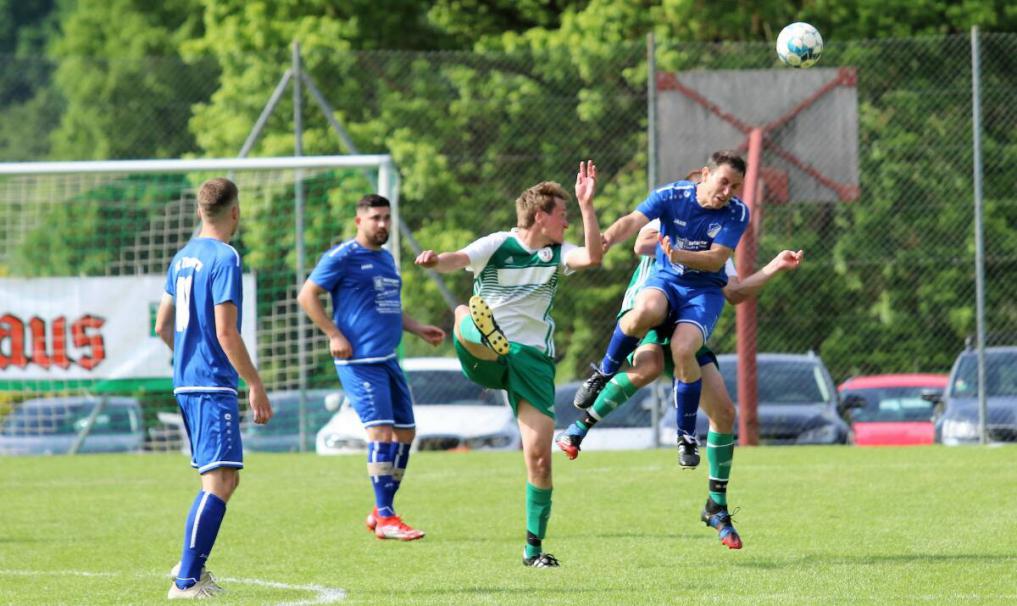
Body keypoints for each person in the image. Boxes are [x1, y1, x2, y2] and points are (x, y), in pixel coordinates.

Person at [556, 217, 803, 549]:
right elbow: (641, 244)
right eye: (713, 190)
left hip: (686, 329)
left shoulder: (718, 246)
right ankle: (580, 427)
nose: (718, 203)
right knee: (648, 366)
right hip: (653, 314)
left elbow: (736, 291)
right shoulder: (673, 213)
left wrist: (775, 266)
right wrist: (679, 242)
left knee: (725, 414)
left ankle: (716, 506)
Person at [414, 161, 602, 568]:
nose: (567, 223)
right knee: (466, 313)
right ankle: (474, 322)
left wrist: (587, 205)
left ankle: (533, 551)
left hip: (533, 361)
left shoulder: (557, 254)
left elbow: (592, 258)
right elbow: (457, 258)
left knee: (538, 457)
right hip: (487, 349)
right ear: (541, 216)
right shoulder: (499, 244)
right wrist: (433, 261)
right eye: (564, 215)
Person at [572, 150, 750, 470]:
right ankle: (601, 377)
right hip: (665, 284)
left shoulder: (736, 214)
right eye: (724, 182)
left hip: (700, 295)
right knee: (646, 320)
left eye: (735, 186)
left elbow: (716, 263)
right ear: (704, 175)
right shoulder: (672, 195)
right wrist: (608, 237)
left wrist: (775, 267)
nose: (727, 192)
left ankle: (686, 440)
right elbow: (635, 229)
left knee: (692, 363)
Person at [297, 194, 445, 541]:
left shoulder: (387, 260)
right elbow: (307, 295)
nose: (382, 224)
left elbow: (389, 306)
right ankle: (389, 516)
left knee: (406, 434)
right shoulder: (342, 256)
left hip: (388, 359)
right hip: (359, 361)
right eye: (375, 217)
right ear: (358, 221)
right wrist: (333, 333)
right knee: (380, 433)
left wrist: (418, 327)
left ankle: (382, 512)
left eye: (387, 218)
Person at [155, 177, 274, 599]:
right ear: (235, 212)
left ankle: (191, 564)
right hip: (211, 384)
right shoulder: (225, 257)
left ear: (200, 211)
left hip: (187, 382)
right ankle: (187, 580)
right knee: (219, 483)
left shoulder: (183, 256)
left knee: (223, 480)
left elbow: (162, 326)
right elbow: (227, 333)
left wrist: (188, 357)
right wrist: (255, 384)